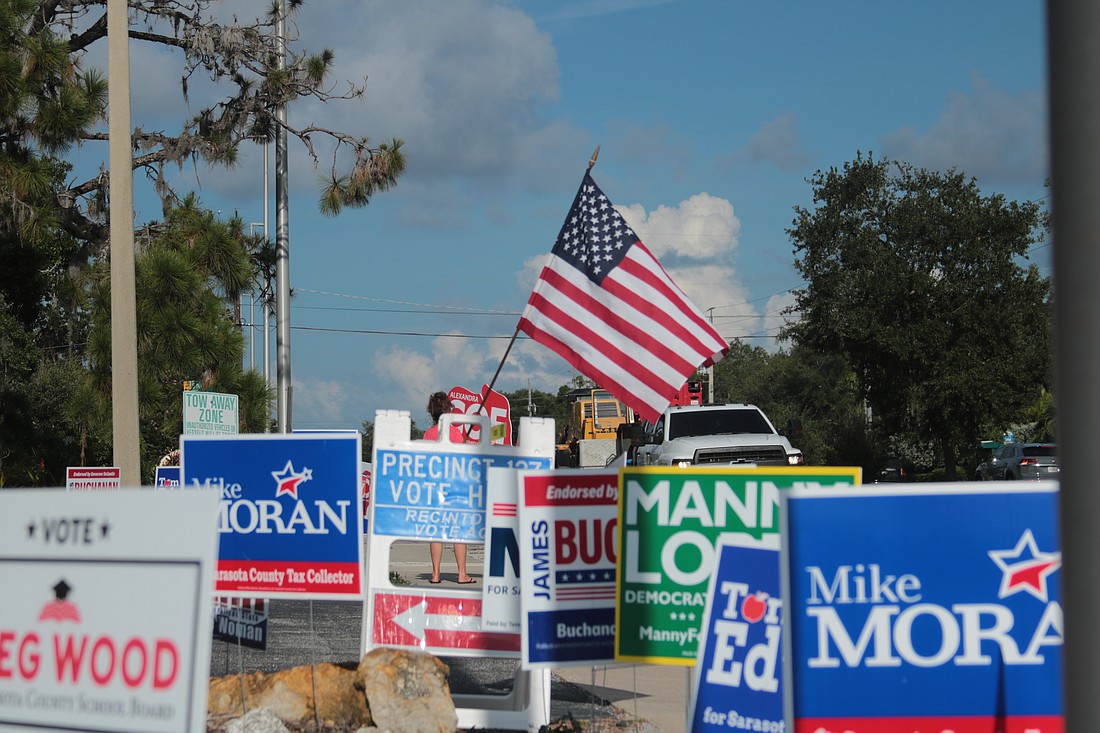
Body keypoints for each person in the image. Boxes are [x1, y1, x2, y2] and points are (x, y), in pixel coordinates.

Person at [423, 391, 476, 585]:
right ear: (448, 409)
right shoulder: (454, 433)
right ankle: (462, 574)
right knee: (459, 532)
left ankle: (435, 574)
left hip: (434, 488)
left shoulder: (428, 434)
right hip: (454, 487)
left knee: (436, 532)